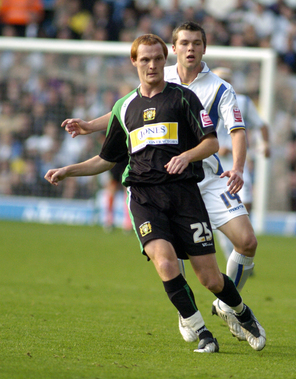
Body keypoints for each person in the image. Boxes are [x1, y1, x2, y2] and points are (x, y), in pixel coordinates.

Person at [46, 34, 266, 353]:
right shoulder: (125, 106)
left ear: (166, 60)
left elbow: (212, 142)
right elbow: (107, 157)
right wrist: (68, 168)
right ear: (134, 62)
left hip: (186, 193)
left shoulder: (185, 97)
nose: (152, 65)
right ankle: (202, 332)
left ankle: (241, 312)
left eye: (157, 59)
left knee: (209, 278)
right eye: (145, 59)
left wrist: (186, 156)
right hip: (145, 196)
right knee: (164, 263)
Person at [211, 66, 270, 260]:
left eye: (227, 79)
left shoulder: (242, 102)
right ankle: (232, 254)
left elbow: (261, 125)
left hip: (238, 163)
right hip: (215, 165)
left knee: (245, 206)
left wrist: (266, 144)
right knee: (221, 213)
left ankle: (242, 251)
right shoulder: (206, 100)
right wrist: (216, 148)